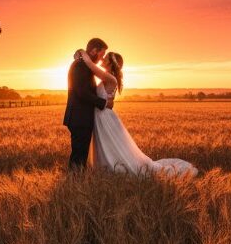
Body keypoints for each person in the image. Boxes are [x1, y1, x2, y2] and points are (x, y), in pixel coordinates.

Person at [74, 49, 198, 177]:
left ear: (111, 64)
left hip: (104, 117)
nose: (102, 59)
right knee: (107, 145)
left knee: (110, 144)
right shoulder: (108, 77)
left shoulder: (110, 78)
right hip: (101, 116)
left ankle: (114, 169)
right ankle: (106, 168)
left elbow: (91, 66)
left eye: (105, 58)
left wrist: (82, 52)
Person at [63, 38, 113, 169]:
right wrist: (104, 103)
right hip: (79, 117)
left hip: (80, 117)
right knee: (79, 154)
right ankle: (74, 181)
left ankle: (76, 180)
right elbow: (82, 92)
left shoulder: (84, 64)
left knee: (80, 154)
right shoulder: (80, 66)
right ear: (94, 51)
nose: (101, 59)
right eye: (101, 54)